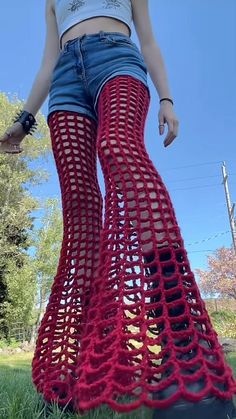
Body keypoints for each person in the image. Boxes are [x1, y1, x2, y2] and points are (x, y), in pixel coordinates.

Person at [0, 1, 235, 418]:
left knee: (118, 148)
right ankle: (77, 366)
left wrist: (167, 98)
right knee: (80, 207)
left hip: (118, 60)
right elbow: (46, 61)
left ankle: (183, 346)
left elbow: (148, 38)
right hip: (64, 83)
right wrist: (23, 120)